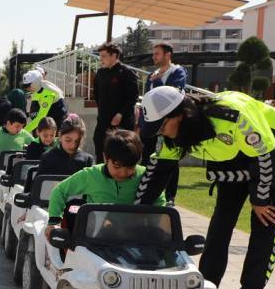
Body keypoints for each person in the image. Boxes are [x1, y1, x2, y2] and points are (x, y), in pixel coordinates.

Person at [137, 86, 275, 289]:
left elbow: (266, 155)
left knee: (265, 225)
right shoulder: (174, 134)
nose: (161, 133)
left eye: (162, 127)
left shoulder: (233, 118)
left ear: (180, 115)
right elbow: (158, 173)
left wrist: (260, 199)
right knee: (220, 223)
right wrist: (136, 211)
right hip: (237, 161)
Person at [47, 129, 162, 229]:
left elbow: (159, 200)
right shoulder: (91, 175)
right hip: (95, 237)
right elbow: (60, 191)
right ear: (105, 158)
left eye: (130, 167)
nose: (123, 173)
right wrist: (54, 221)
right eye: (117, 166)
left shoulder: (146, 176)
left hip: (135, 236)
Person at [141, 42, 188, 205]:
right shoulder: (152, 75)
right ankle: (147, 193)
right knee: (148, 157)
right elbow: (147, 98)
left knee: (171, 160)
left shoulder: (177, 72)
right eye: (153, 54)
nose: (154, 57)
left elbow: (174, 94)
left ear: (168, 55)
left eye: (157, 54)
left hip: (170, 125)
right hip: (153, 124)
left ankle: (170, 197)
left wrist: (158, 82)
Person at [92, 42, 139, 161]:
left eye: (104, 56)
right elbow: (96, 94)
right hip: (103, 120)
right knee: (99, 143)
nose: (101, 59)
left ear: (114, 56)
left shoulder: (127, 73)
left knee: (122, 151)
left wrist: (120, 114)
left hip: (122, 121)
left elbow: (133, 97)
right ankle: (101, 170)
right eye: (100, 56)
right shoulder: (100, 73)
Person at [21, 68, 68, 134]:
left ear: (36, 82)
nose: (27, 88)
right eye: (25, 86)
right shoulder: (38, 88)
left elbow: (40, 117)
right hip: (50, 116)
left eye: (28, 86)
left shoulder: (47, 94)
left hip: (58, 118)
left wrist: (23, 132)